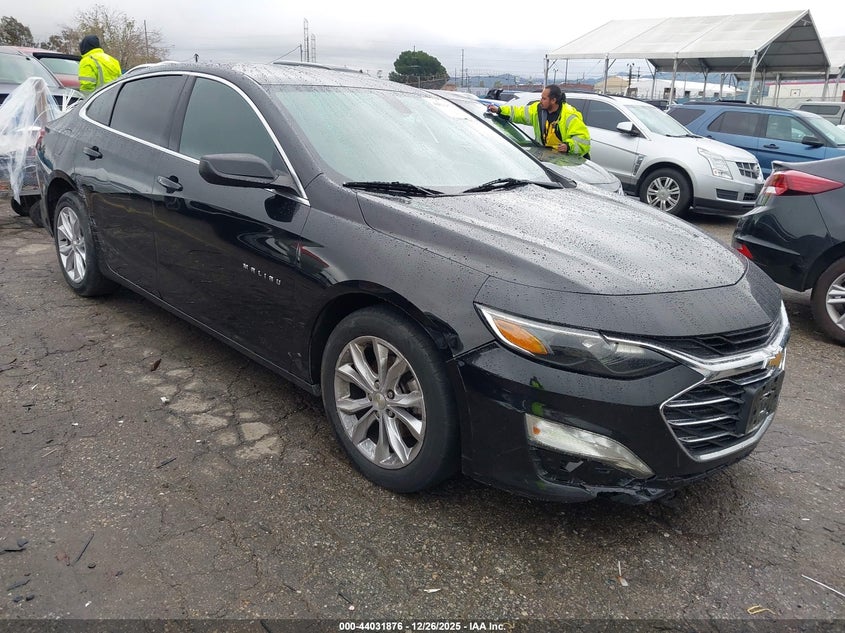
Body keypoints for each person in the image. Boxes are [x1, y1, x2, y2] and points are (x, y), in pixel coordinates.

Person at [487, 85, 590, 157]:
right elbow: (519, 112)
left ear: (553, 100)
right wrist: (500, 110)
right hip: (548, 159)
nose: (540, 101)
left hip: (568, 162)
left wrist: (568, 146)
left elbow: (583, 140)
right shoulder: (538, 110)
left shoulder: (569, 115)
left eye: (544, 98)